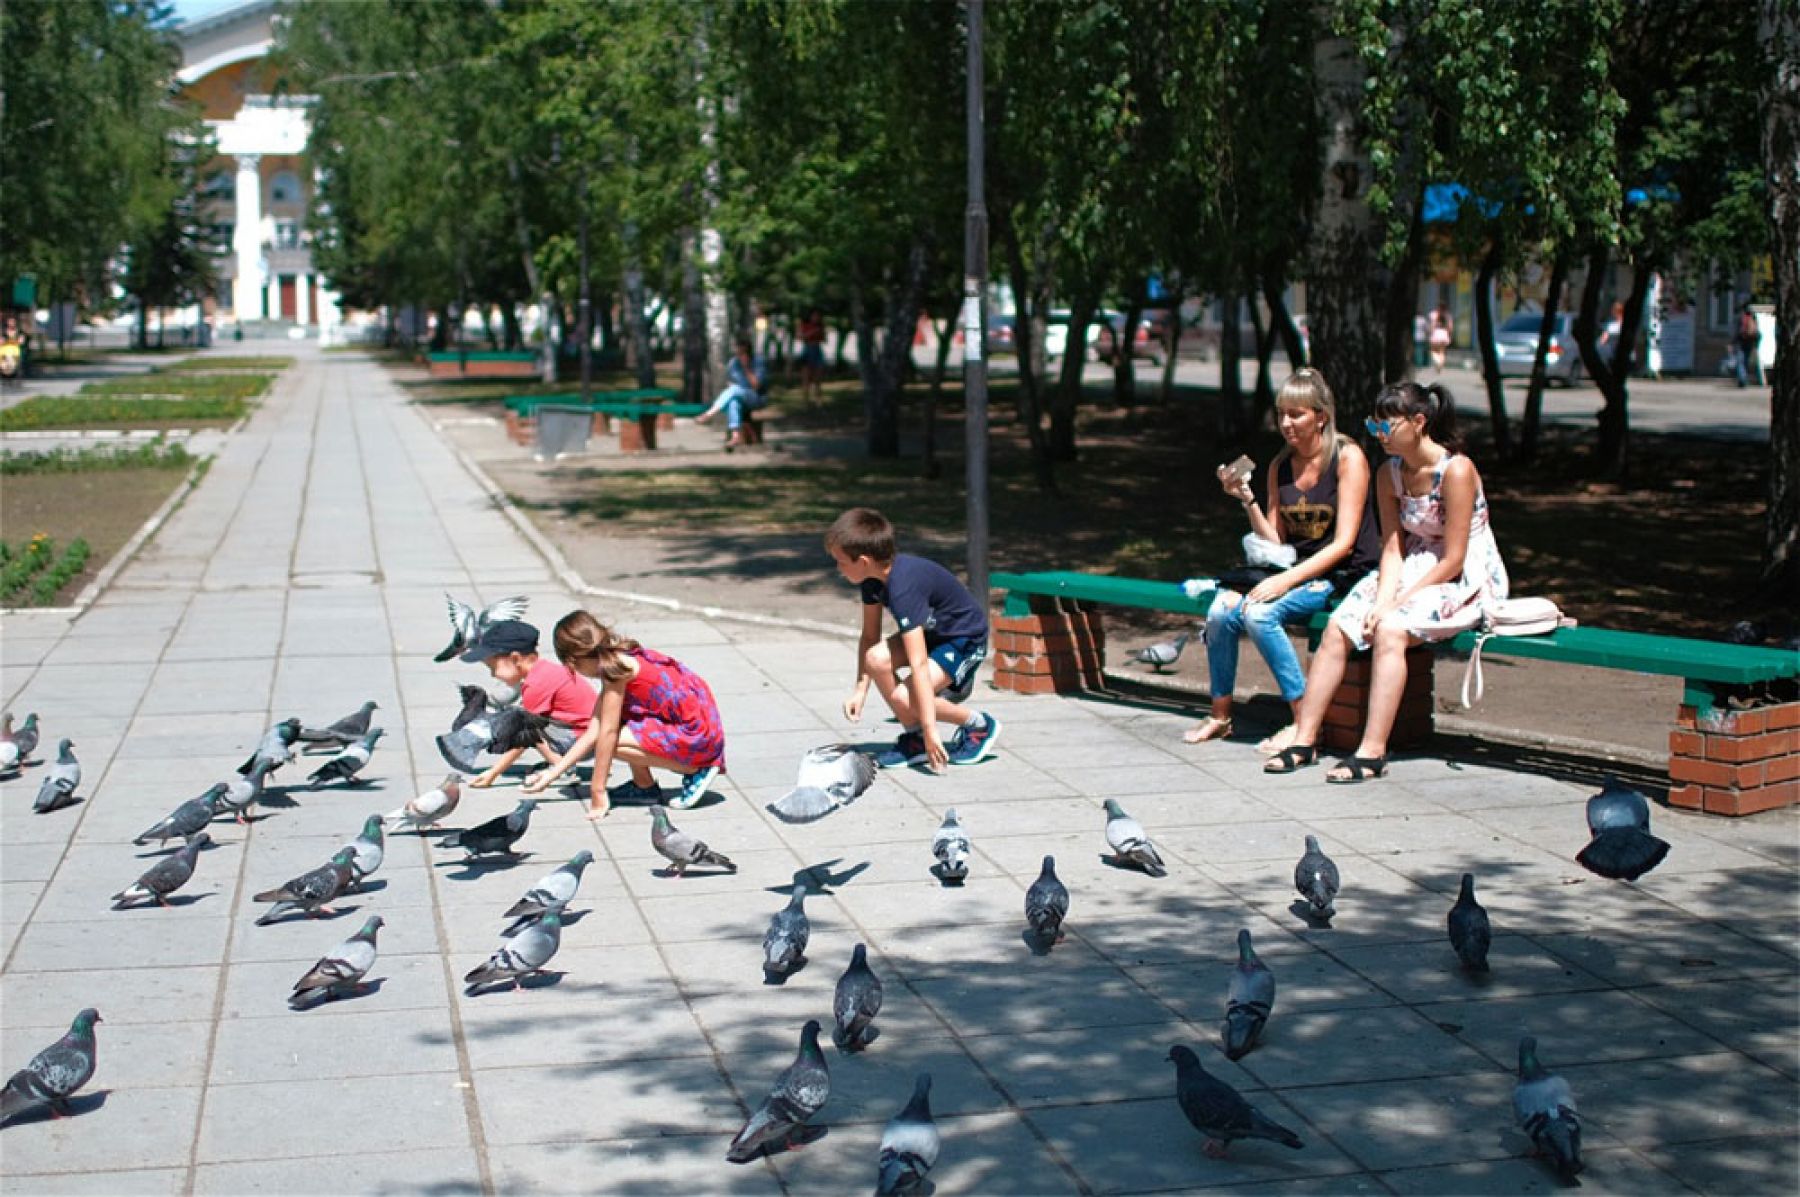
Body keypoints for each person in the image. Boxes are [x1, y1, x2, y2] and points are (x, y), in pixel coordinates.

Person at [1265, 381, 1508, 783]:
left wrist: (1396, 605)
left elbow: (1455, 558)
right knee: (1339, 627)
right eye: (1374, 427)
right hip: (1411, 565)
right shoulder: (1389, 473)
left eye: (1387, 428)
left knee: (1391, 630)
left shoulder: (1456, 469)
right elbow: (1393, 548)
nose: (1380, 437)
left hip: (1463, 576)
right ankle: (1305, 738)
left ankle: (1372, 750)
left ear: (1419, 421)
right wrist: (1382, 598)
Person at [1184, 369, 1380, 754]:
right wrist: (1248, 500)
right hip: (1295, 568)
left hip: (1342, 573)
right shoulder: (1280, 465)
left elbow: (1344, 544)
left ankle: (1305, 721)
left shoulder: (1347, 457)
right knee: (1221, 611)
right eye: (1282, 414)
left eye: (1297, 414)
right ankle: (1221, 715)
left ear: (1321, 416)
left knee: (1258, 614)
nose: (1286, 424)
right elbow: (1275, 541)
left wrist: (1285, 583)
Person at [826, 507, 1000, 772]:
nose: (837, 568)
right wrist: (860, 691)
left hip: (963, 638)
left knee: (910, 698)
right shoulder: (872, 580)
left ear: (862, 561)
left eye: (840, 561)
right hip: (933, 633)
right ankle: (914, 741)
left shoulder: (903, 587)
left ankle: (979, 725)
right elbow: (870, 636)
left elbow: (918, 665)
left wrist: (932, 730)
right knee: (876, 658)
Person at [523, 610, 727, 819]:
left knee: (613, 741)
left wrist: (597, 791)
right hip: (702, 725)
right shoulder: (617, 659)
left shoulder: (616, 672)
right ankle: (644, 786)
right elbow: (594, 728)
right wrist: (553, 773)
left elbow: (606, 733)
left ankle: (695, 769)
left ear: (571, 661)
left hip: (698, 736)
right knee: (619, 724)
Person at [460, 620, 595, 788]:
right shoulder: (546, 670)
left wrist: (493, 773)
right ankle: (559, 762)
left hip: (582, 741)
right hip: (586, 735)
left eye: (493, 667)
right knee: (524, 719)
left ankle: (563, 768)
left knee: (525, 726)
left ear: (515, 658)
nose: (493, 675)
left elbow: (523, 738)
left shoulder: (536, 684)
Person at [695, 334, 769, 449]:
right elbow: (730, 382)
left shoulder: (758, 362)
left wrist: (746, 368)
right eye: (738, 353)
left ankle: (709, 414)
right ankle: (735, 436)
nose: (739, 356)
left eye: (742, 353)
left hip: (755, 397)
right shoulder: (733, 363)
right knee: (733, 401)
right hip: (738, 395)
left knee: (734, 391)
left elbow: (756, 386)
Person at [797, 308, 826, 402]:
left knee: (818, 377)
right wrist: (811, 333)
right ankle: (806, 399)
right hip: (807, 349)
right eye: (814, 315)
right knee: (806, 377)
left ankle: (818, 398)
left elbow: (824, 339)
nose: (816, 318)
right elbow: (799, 336)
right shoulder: (804, 325)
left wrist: (820, 333)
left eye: (818, 316)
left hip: (817, 349)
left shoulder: (820, 326)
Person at [1735, 304, 1764, 388]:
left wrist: (1733, 342)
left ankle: (1742, 380)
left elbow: (1737, 332)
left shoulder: (1741, 319)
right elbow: (1758, 334)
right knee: (1745, 362)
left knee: (1740, 362)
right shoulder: (1754, 319)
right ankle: (1745, 379)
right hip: (1751, 343)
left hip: (1742, 343)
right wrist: (1756, 343)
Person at [1427, 307, 1452, 372]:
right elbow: (1450, 327)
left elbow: (1432, 326)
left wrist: (1430, 332)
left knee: (1433, 351)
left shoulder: (1434, 315)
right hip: (1444, 334)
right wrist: (1448, 334)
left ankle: (1437, 361)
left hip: (1436, 334)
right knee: (1442, 352)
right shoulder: (1447, 316)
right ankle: (1441, 363)